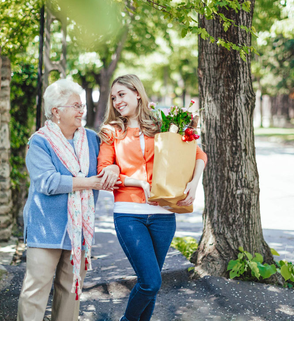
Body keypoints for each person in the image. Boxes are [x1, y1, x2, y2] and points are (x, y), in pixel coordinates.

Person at [97, 74, 207, 321]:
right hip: (129, 213)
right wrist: (137, 182)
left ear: (137, 93)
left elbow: (198, 153)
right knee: (150, 282)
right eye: (113, 97)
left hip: (164, 214)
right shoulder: (111, 131)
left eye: (121, 94)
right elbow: (104, 172)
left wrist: (194, 182)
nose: (117, 101)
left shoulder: (163, 124)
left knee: (152, 284)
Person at [17, 78, 120, 321]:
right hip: (46, 228)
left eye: (82, 106)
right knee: (35, 293)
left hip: (79, 231)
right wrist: (90, 182)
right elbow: (48, 182)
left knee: (71, 292)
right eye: (76, 106)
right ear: (56, 111)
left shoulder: (92, 139)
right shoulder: (39, 142)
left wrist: (113, 168)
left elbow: (112, 159)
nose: (82, 111)